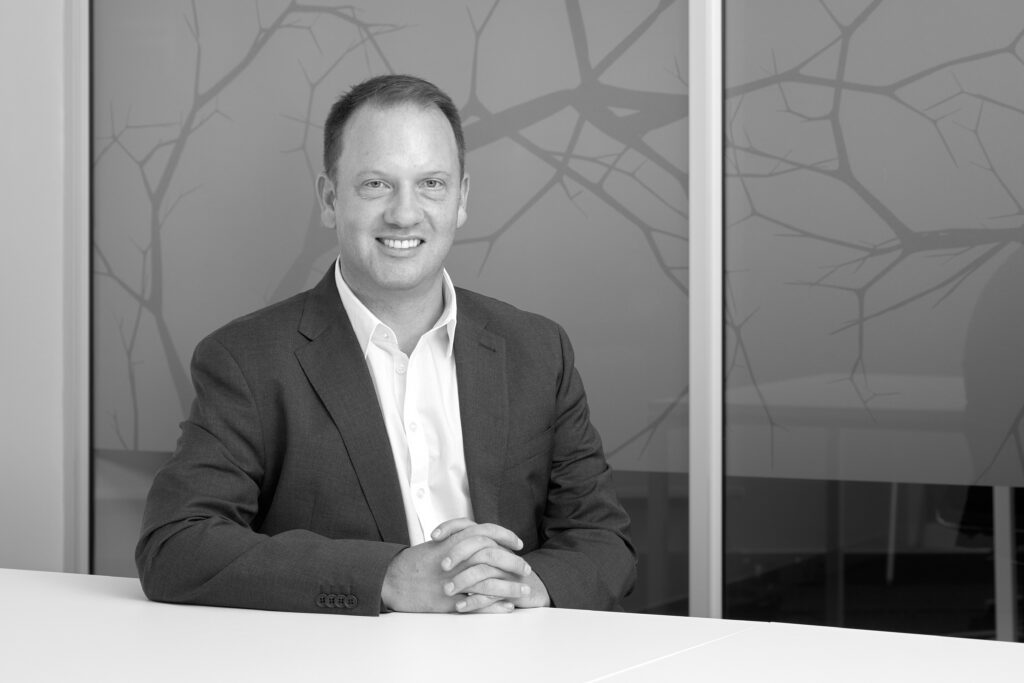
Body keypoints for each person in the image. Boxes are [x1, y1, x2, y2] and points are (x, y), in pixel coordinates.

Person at [136, 74, 636, 615]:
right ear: (330, 199)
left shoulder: (537, 350)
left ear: (461, 199)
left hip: (509, 644)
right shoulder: (247, 361)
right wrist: (386, 578)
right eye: (376, 184)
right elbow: (176, 545)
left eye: (432, 184)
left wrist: (525, 586)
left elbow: (603, 540)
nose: (404, 213)